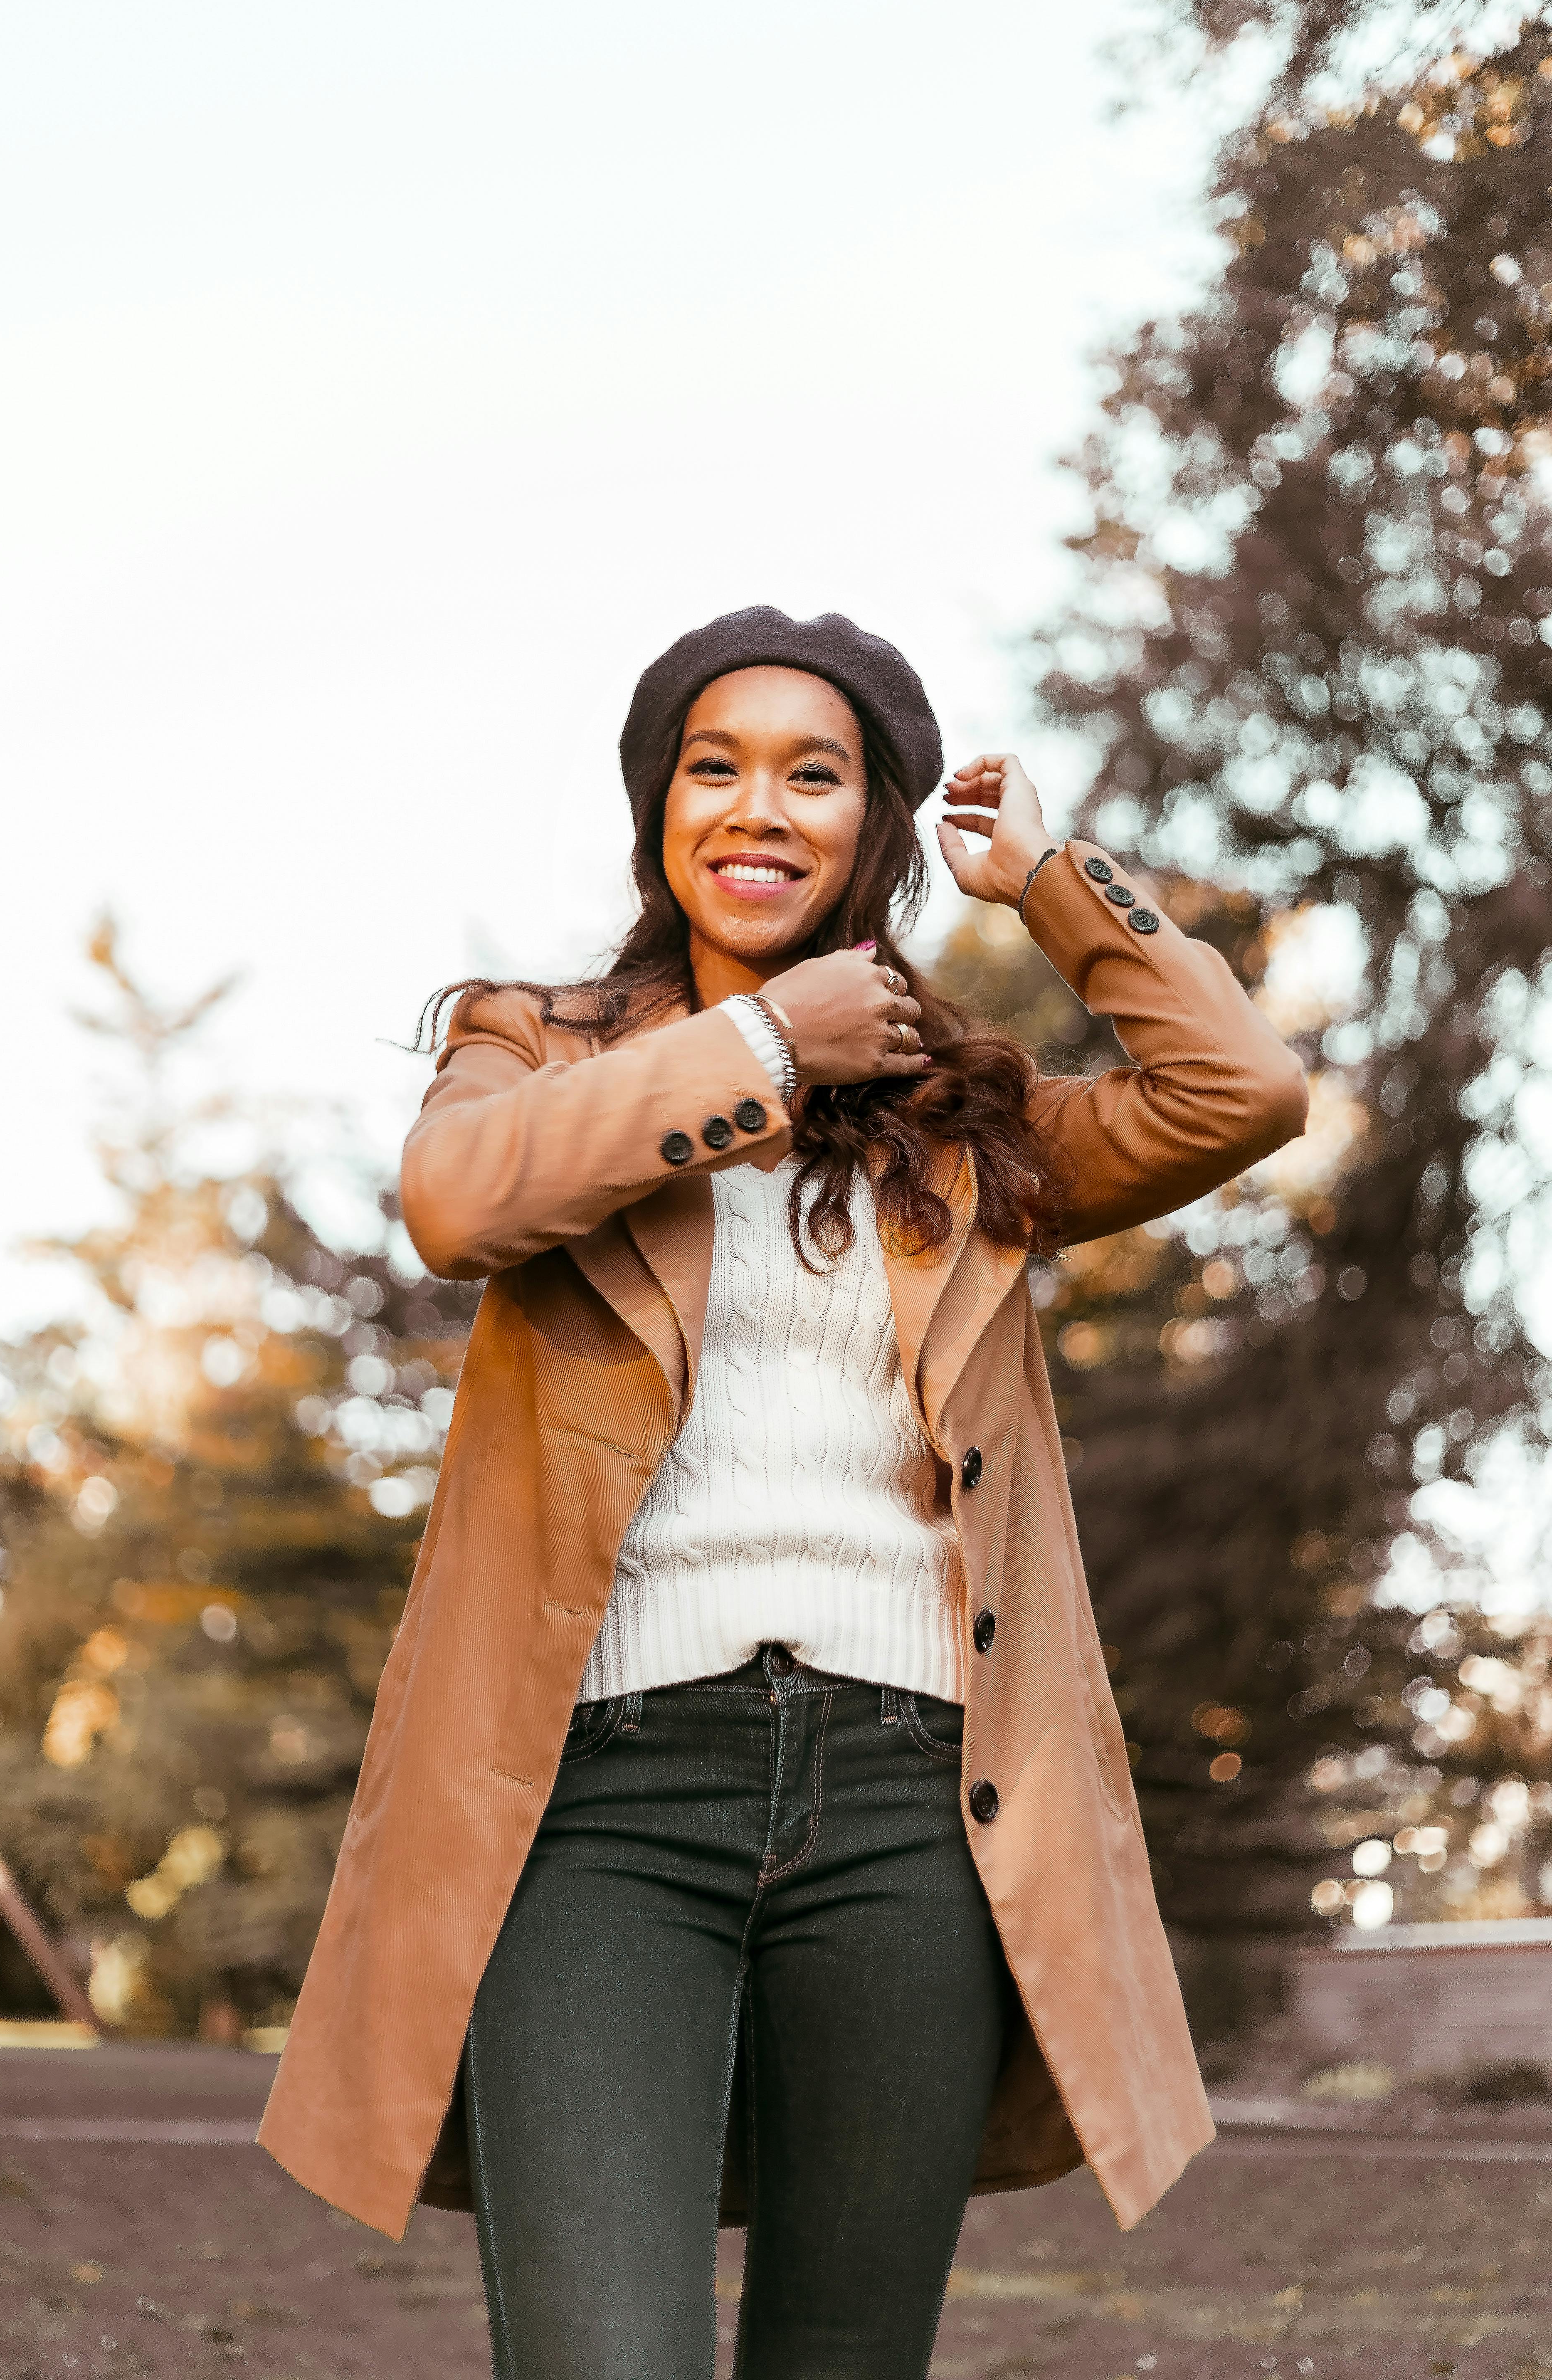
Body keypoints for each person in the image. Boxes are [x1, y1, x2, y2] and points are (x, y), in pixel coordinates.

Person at [259, 606, 1307, 2378]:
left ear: (875, 829)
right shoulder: (542, 1046)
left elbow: (1241, 1089)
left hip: (919, 1797)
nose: (758, 807)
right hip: (595, 1797)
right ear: (661, 814)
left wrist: (1049, 880)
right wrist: (761, 1053)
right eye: (714, 767)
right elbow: (456, 1201)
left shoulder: (975, 1126)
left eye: (813, 774)